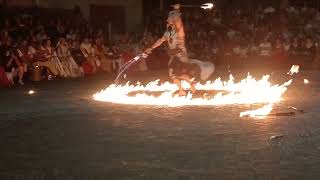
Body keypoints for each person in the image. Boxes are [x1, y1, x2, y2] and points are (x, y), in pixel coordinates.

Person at [145, 4, 214, 96]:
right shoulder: (168, 33)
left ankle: (191, 84)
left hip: (180, 55)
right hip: (174, 55)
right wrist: (151, 48)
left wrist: (176, 12)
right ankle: (183, 89)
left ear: (173, 20)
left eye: (169, 18)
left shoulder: (179, 32)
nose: (167, 20)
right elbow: (161, 40)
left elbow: (179, 25)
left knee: (176, 71)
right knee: (173, 74)